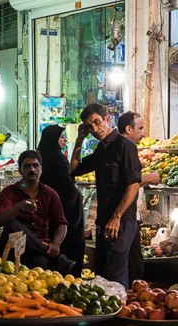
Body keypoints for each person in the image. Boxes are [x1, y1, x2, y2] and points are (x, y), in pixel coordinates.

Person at [69, 103, 141, 288]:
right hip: (104, 222)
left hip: (122, 222)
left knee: (115, 277)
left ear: (107, 119)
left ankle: (118, 314)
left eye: (97, 122)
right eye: (89, 126)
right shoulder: (101, 150)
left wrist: (117, 217)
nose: (94, 129)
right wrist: (79, 140)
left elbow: (134, 184)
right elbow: (74, 169)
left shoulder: (125, 146)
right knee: (102, 275)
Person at [0, 150, 76, 274]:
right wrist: (18, 207)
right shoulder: (9, 192)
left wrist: (56, 244)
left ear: (41, 169)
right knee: (12, 225)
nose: (32, 169)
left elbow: (61, 223)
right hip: (12, 247)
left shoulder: (50, 194)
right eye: (27, 166)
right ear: (20, 170)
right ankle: (56, 257)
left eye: (35, 166)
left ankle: (46, 253)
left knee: (41, 267)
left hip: (35, 250)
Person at [117, 111, 162, 284]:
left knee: (133, 263)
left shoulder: (125, 146)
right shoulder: (125, 147)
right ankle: (130, 302)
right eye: (140, 128)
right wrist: (148, 179)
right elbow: (125, 182)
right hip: (125, 217)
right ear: (128, 129)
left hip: (129, 216)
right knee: (132, 266)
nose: (144, 133)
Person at [37, 125, 84, 276]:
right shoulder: (56, 159)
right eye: (62, 137)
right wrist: (76, 196)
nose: (65, 140)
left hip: (47, 214)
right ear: (53, 139)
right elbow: (66, 188)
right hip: (62, 211)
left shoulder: (42, 156)